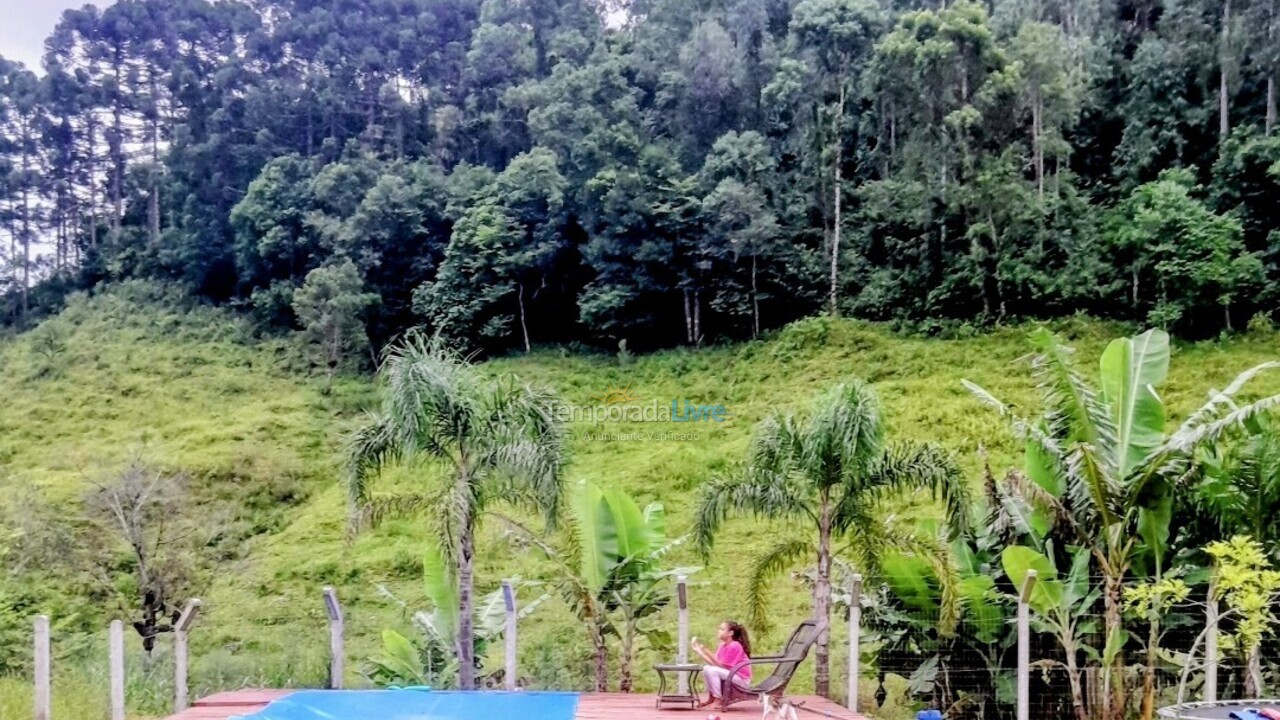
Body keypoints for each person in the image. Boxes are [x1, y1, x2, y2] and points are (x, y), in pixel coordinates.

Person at [691, 620, 752, 707]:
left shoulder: (735, 645)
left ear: (730, 633)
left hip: (741, 680)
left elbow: (721, 666)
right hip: (731, 674)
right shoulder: (722, 645)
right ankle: (711, 697)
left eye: (722, 629)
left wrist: (708, 652)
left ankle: (718, 699)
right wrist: (700, 652)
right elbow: (714, 664)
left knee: (712, 670)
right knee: (706, 668)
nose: (719, 631)